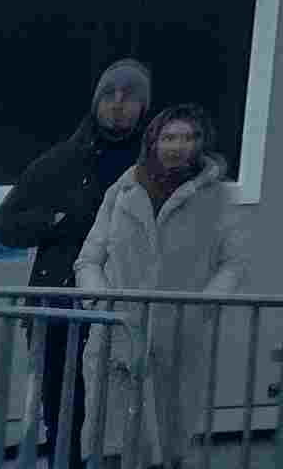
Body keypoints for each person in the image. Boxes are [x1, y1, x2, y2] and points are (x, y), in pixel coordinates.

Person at [0, 59, 151, 463]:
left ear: (144, 107)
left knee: (128, 417)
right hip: (62, 308)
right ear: (95, 102)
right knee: (66, 416)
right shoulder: (60, 161)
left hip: (130, 309)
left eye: (129, 96)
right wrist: (56, 220)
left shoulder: (155, 166)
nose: (118, 104)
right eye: (109, 95)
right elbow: (6, 225)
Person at [72, 108, 245, 469]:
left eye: (187, 138)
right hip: (117, 338)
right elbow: (89, 259)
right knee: (110, 445)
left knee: (167, 447)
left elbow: (233, 263)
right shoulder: (121, 191)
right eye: (169, 137)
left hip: (179, 337)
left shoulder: (218, 198)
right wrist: (103, 308)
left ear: (201, 143)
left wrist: (202, 307)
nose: (177, 146)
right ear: (153, 142)